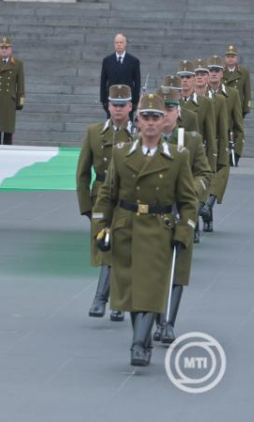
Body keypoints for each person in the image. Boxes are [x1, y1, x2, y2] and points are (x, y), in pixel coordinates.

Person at [92, 92, 197, 367]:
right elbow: (107, 194)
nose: (150, 123)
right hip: (126, 226)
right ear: (137, 120)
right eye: (146, 117)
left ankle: (138, 344)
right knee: (129, 291)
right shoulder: (122, 152)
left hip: (158, 229)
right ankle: (144, 338)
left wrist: (184, 231)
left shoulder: (177, 157)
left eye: (156, 117)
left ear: (164, 122)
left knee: (150, 289)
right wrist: (101, 226)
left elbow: (188, 201)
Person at [152, 87, 213, 343]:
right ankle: (155, 320)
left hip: (181, 213)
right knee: (153, 271)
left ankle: (168, 322)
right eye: (161, 110)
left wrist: (192, 194)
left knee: (177, 268)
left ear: (178, 112)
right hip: (154, 215)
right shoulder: (146, 140)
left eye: (170, 109)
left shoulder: (191, 140)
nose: (166, 115)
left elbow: (205, 174)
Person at [76, 84, 134, 322]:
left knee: (119, 247)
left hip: (126, 197)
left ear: (130, 107)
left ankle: (103, 300)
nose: (118, 110)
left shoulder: (138, 135)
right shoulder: (94, 132)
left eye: (122, 105)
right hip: (101, 196)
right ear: (108, 106)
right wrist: (86, 207)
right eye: (114, 105)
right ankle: (113, 301)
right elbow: (82, 172)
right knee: (105, 245)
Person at [193, 59, 229, 233]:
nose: (199, 77)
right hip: (192, 149)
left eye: (202, 74)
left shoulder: (219, 100)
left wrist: (221, 156)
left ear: (208, 78)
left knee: (208, 182)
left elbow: (221, 130)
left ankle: (208, 216)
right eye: (196, 74)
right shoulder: (187, 99)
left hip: (209, 147)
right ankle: (195, 224)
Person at [177, 60, 217, 170]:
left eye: (188, 77)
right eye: (181, 77)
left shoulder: (205, 103)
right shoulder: (170, 103)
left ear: (194, 79)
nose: (184, 80)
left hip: (195, 157)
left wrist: (211, 167)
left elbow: (210, 136)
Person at [99, 34, 141, 118]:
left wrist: (135, 102)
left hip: (127, 101)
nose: (119, 44)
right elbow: (103, 82)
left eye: (121, 42)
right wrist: (104, 101)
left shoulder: (134, 61)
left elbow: (137, 82)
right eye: (117, 42)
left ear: (125, 44)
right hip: (111, 100)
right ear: (114, 44)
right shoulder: (107, 61)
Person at [223, 45, 251, 117]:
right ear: (225, 58)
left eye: (232, 57)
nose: (230, 59)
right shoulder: (220, 72)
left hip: (238, 107)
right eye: (228, 57)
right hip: (224, 108)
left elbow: (247, 92)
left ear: (237, 58)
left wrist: (246, 108)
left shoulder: (244, 72)